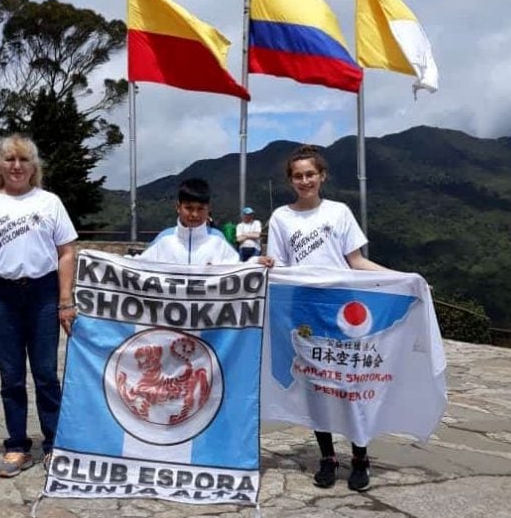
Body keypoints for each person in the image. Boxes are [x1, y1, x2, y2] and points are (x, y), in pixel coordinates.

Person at [266, 144, 387, 492]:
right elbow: (280, 268)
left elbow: (356, 261)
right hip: (303, 309)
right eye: (298, 175)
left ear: (322, 176)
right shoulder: (281, 218)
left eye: (310, 174)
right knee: (316, 386)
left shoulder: (339, 212)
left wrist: (402, 277)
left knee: (350, 383)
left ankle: (360, 456)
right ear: (291, 180)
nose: (305, 181)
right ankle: (328, 457)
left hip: (342, 309)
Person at [0, 135, 78, 477]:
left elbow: (67, 251)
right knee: (11, 375)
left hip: (42, 294)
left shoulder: (50, 202)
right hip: (0, 296)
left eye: (23, 160)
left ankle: (54, 443)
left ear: (33, 167)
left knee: (44, 373)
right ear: (0, 165)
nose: (16, 166)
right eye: (10, 159)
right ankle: (16, 445)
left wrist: (65, 300)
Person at [139, 177, 267, 265]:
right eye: (188, 208)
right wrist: (119, 263)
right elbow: (140, 267)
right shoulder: (164, 239)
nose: (194, 214)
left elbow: (236, 270)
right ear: (178, 207)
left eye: (200, 209)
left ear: (208, 209)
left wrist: (255, 263)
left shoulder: (218, 239)